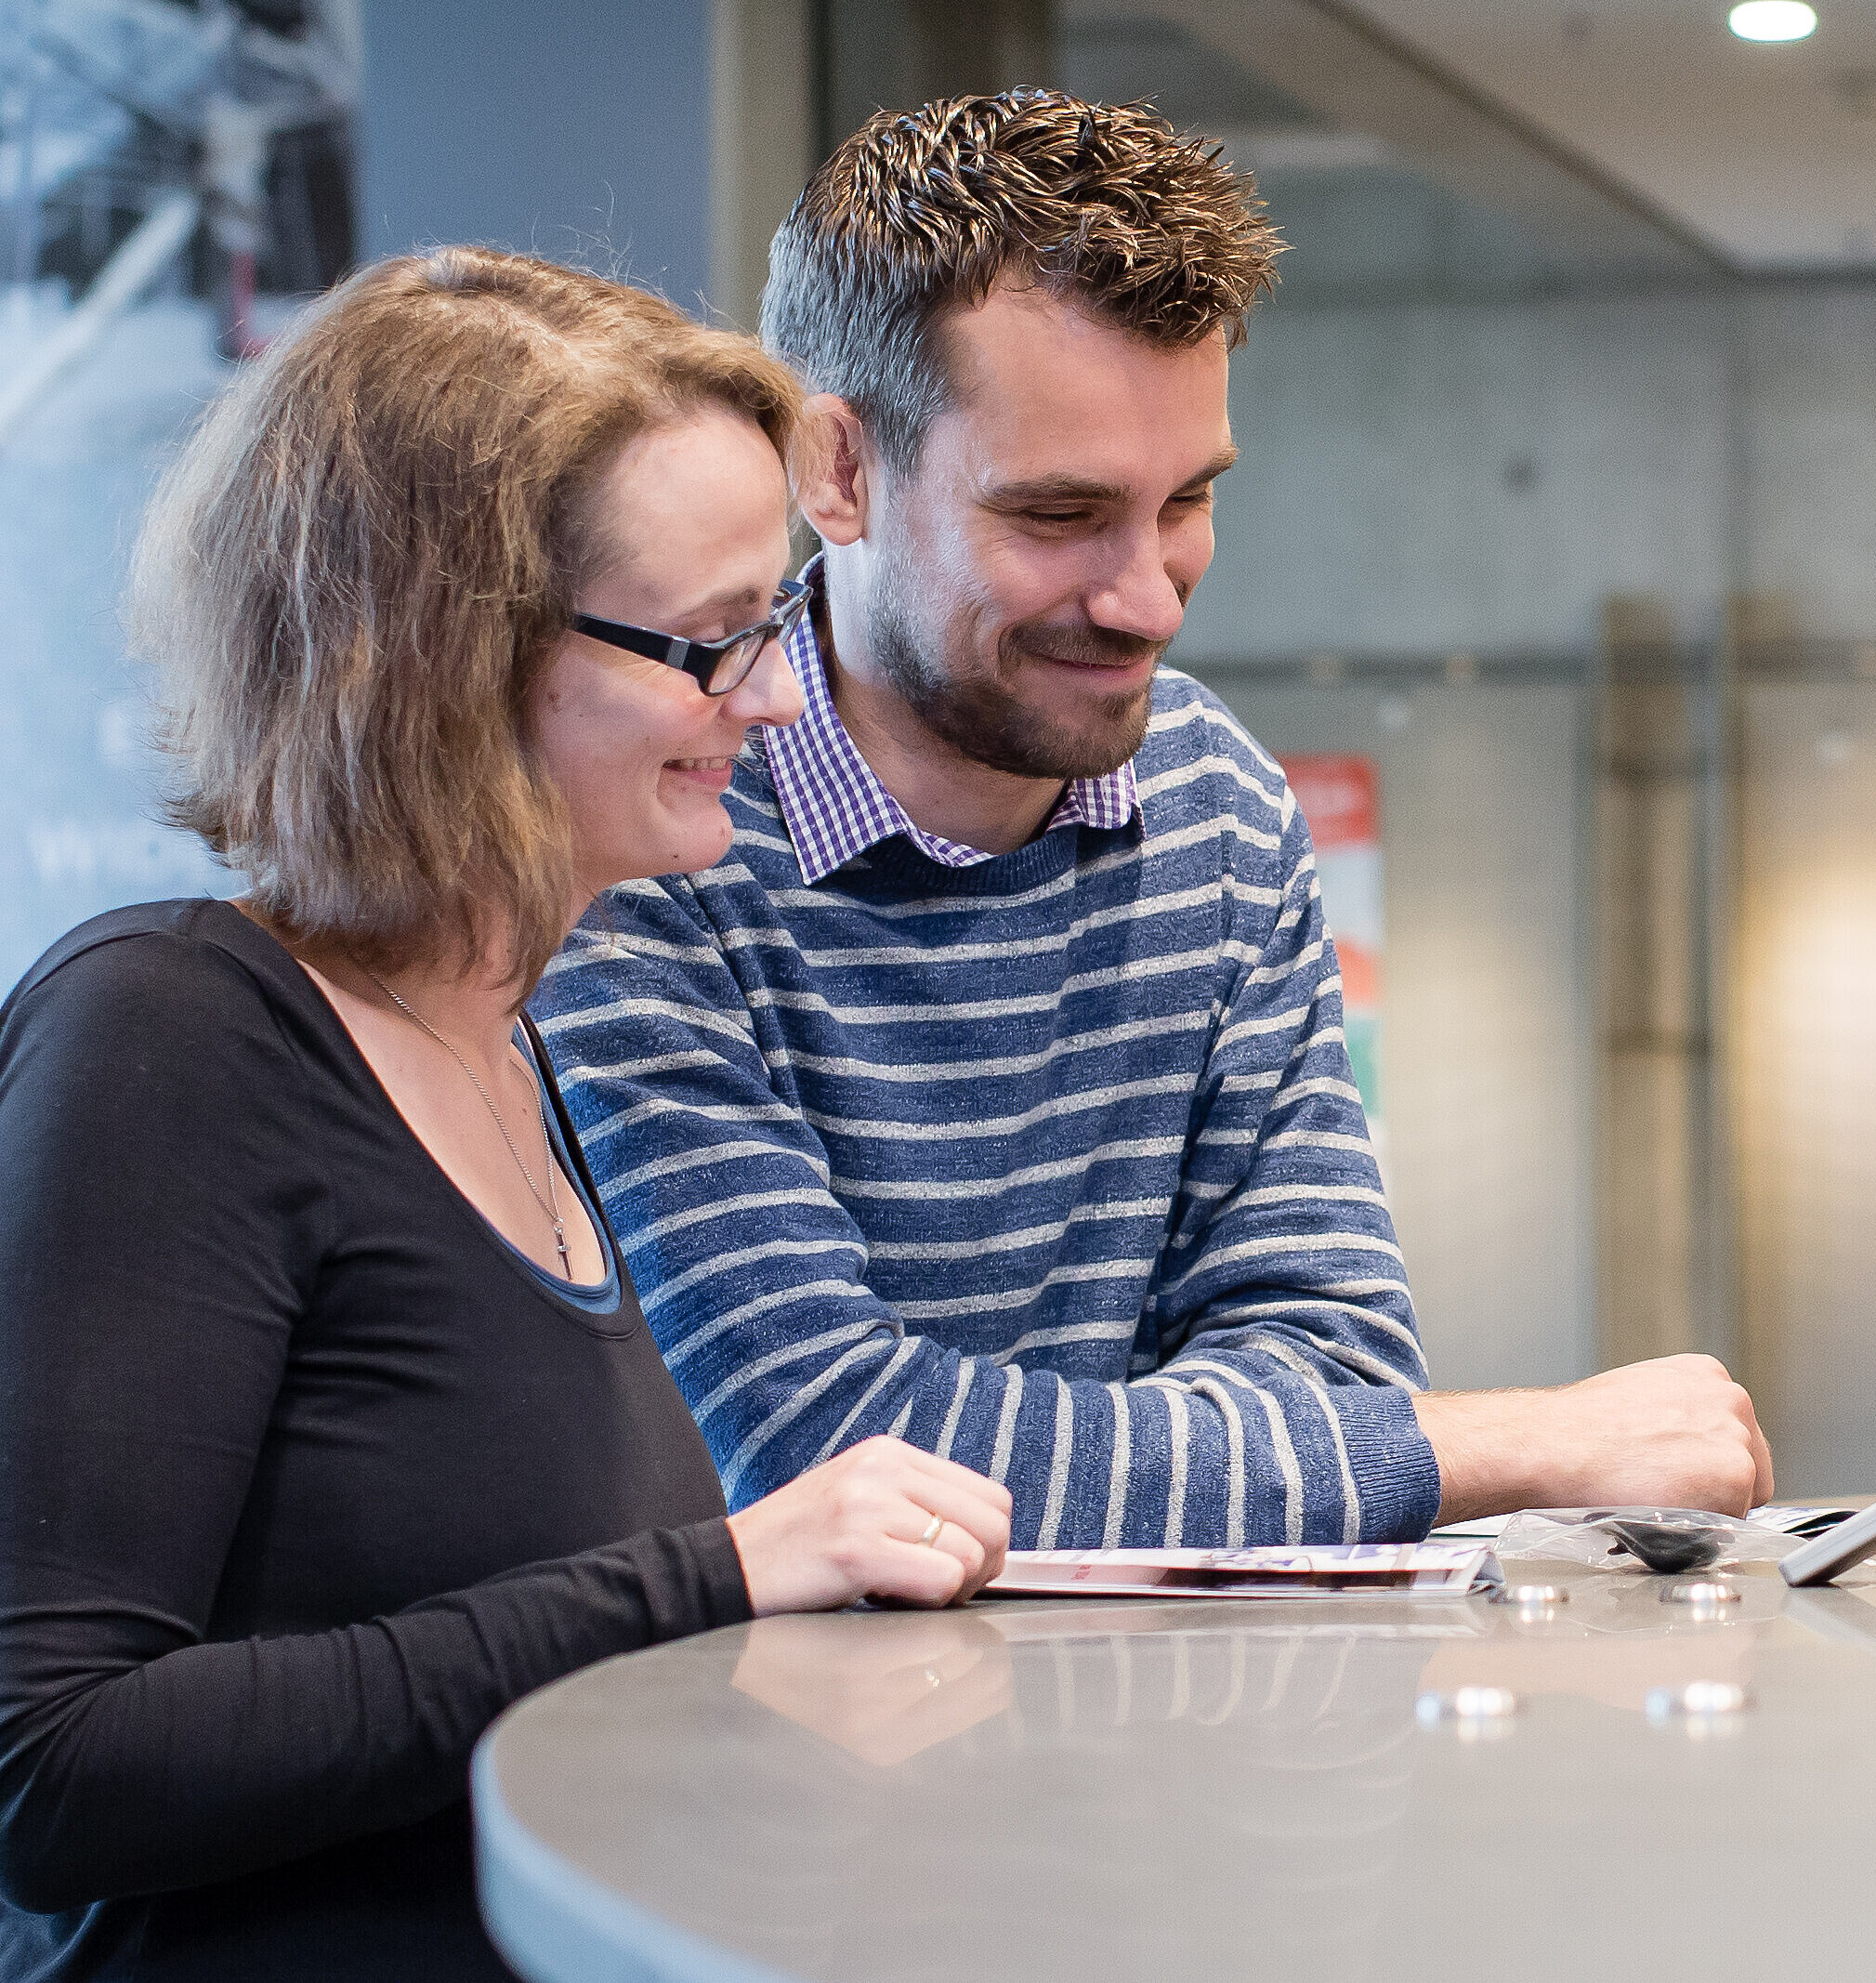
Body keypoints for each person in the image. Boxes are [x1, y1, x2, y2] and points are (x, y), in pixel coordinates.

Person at [533, 90, 1768, 1549]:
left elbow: (1332, 1360)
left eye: (1188, 500)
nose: (1150, 597)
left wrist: (1320, 1445)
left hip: (1140, 1734)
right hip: (735, 1752)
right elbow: (824, 1449)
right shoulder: (648, 832)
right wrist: (1511, 1446)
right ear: (839, 471)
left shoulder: (1213, 798)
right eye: (1059, 517)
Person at [0, 248, 1016, 1981]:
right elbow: (52, 1768)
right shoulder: (168, 1037)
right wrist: (710, 1578)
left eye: (769, 629)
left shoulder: (517, 1050)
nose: (773, 703)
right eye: (708, 647)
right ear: (437, 660)